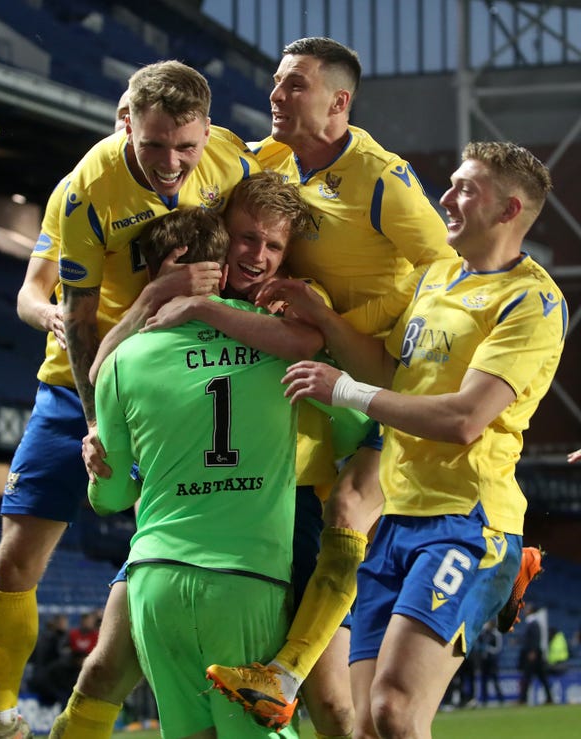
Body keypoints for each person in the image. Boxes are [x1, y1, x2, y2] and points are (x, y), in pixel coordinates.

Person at [209, 141, 567, 738]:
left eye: (465, 189)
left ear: (508, 211)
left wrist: (342, 390)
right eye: (450, 183)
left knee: (396, 711)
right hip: (395, 520)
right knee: (365, 725)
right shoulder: (438, 275)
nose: (446, 198)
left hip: (466, 519)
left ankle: (508, 564)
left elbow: (463, 419)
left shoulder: (531, 299)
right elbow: (388, 371)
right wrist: (322, 320)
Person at [0, 60, 259, 739]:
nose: (172, 163)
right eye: (155, 144)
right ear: (125, 123)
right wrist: (99, 417)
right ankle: (1, 719)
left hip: (182, 381)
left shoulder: (230, 158)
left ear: (208, 132)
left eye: (185, 147)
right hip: (84, 382)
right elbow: (75, 321)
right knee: (17, 553)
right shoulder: (87, 190)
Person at [50, 170, 371, 738]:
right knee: (101, 668)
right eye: (248, 238)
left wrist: (197, 309)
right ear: (222, 239)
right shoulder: (166, 317)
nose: (259, 256)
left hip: (285, 511)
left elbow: (316, 357)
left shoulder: (293, 305)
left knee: (329, 701)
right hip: (202, 534)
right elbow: (102, 375)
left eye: (274, 246)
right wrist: (156, 298)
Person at [241, 37, 454, 736]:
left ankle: (284, 674)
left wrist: (366, 333)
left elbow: (451, 272)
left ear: (339, 102)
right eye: (276, 82)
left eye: (294, 85)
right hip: (307, 368)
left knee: (351, 510)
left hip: (373, 367)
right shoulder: (268, 159)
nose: (277, 95)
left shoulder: (381, 178)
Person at [88, 204, 305, 739]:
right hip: (247, 578)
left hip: (156, 578)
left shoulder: (123, 359)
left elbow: (109, 498)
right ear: (224, 269)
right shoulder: (276, 342)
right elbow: (349, 431)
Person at [519, 604, 553, 704]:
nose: (524, 611)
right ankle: (549, 698)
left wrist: (532, 651)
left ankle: (523, 699)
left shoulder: (533, 623)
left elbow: (535, 637)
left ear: (531, 611)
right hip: (535, 654)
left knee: (527, 676)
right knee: (541, 677)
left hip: (533, 654)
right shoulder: (532, 622)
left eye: (527, 609)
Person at [477, 620, 504, 705]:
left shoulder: (496, 634)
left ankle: (500, 698)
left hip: (492, 661)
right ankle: (484, 700)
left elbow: (498, 649)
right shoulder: (484, 633)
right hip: (484, 661)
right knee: (483, 681)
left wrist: (488, 649)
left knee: (495, 680)